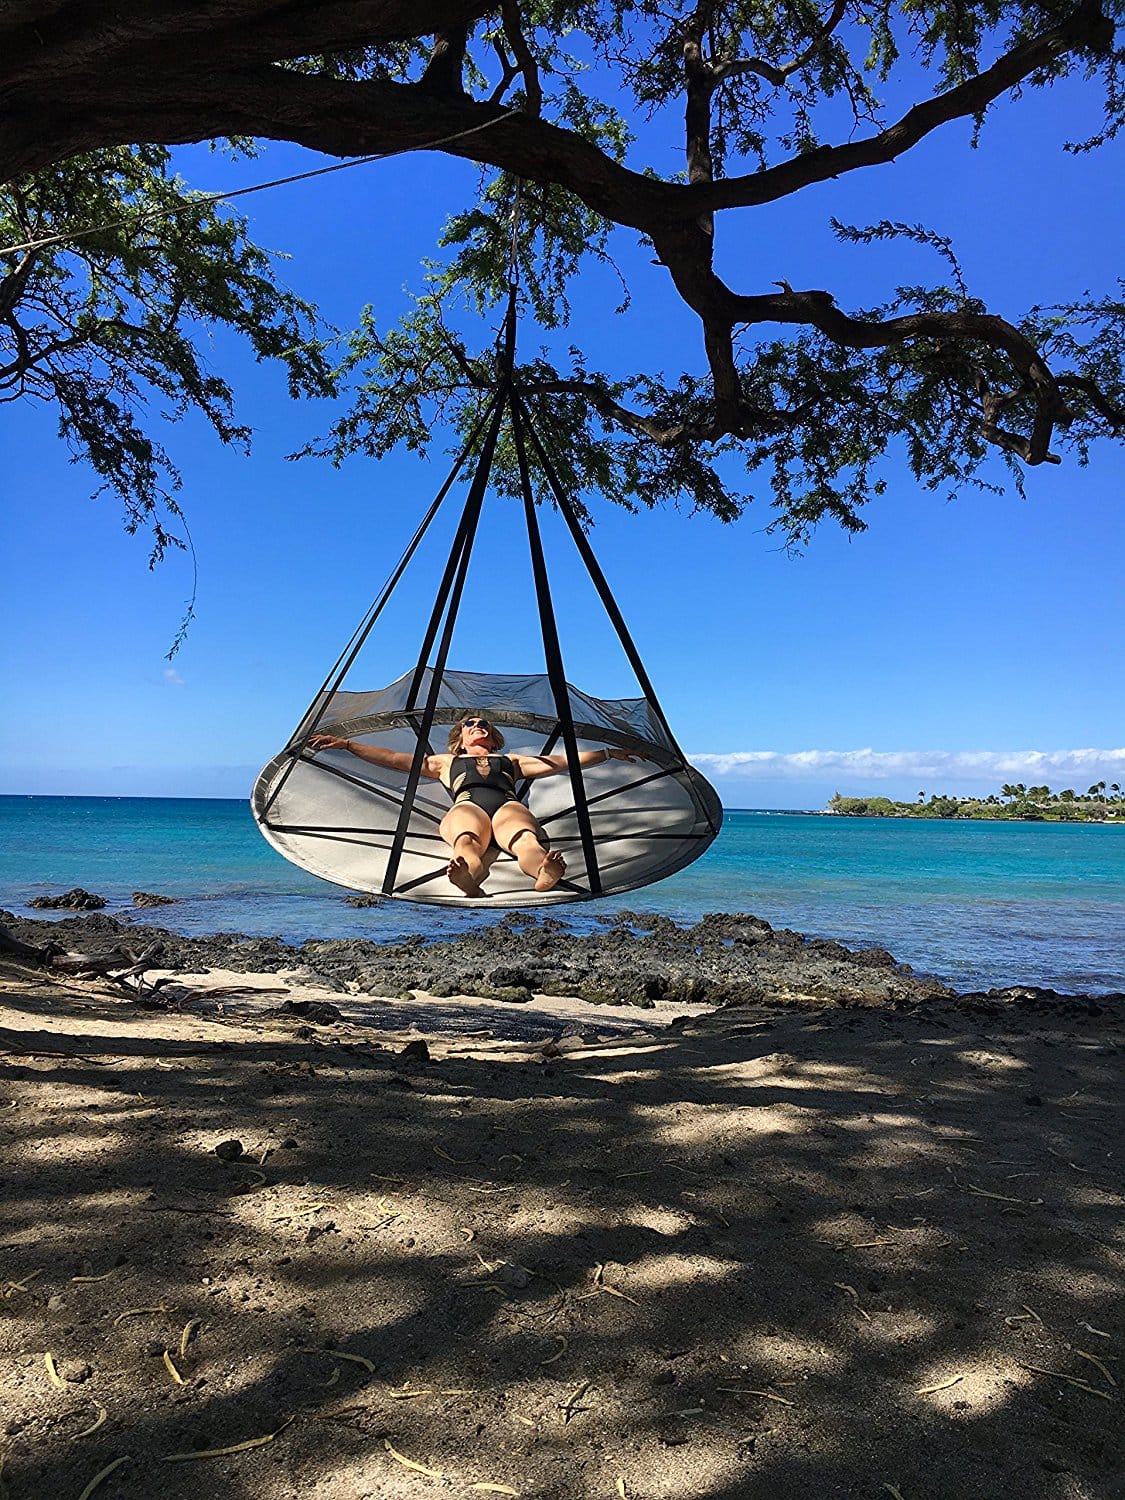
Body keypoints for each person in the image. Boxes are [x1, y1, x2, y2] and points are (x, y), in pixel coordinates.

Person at [308, 712, 642, 897]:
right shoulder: (444, 762)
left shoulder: (512, 760)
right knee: (466, 839)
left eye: (483, 724)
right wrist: (349, 745)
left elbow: (562, 761)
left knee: (524, 836)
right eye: (470, 724)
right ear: (461, 738)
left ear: (493, 738)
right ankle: (469, 878)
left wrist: (608, 753)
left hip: (507, 806)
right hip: (468, 807)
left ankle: (544, 872)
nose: (477, 726)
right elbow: (395, 759)